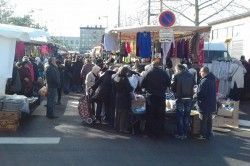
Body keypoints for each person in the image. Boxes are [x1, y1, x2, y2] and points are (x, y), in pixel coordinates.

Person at [141, 61, 171, 138]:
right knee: (160, 115)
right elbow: (169, 83)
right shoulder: (164, 73)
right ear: (159, 66)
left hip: (151, 96)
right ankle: (160, 132)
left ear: (152, 65)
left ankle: (149, 132)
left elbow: (142, 84)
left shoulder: (148, 72)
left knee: (150, 114)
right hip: (161, 96)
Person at [172, 64, 195, 139]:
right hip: (189, 98)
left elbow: (173, 88)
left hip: (180, 98)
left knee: (180, 116)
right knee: (186, 116)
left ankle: (180, 133)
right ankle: (185, 133)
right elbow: (194, 86)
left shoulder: (177, 76)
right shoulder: (191, 75)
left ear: (178, 69)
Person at [196, 66, 216, 140]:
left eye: (200, 72)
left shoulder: (204, 81)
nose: (199, 73)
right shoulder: (212, 79)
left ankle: (203, 135)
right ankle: (208, 134)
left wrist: (195, 95)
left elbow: (201, 94)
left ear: (204, 72)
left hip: (204, 104)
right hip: (211, 103)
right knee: (209, 120)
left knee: (203, 120)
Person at [113, 66, 133, 133]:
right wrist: (132, 88)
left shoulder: (116, 78)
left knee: (118, 112)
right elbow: (129, 88)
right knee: (124, 113)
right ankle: (122, 128)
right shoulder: (125, 79)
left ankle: (116, 127)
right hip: (124, 97)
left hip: (118, 96)